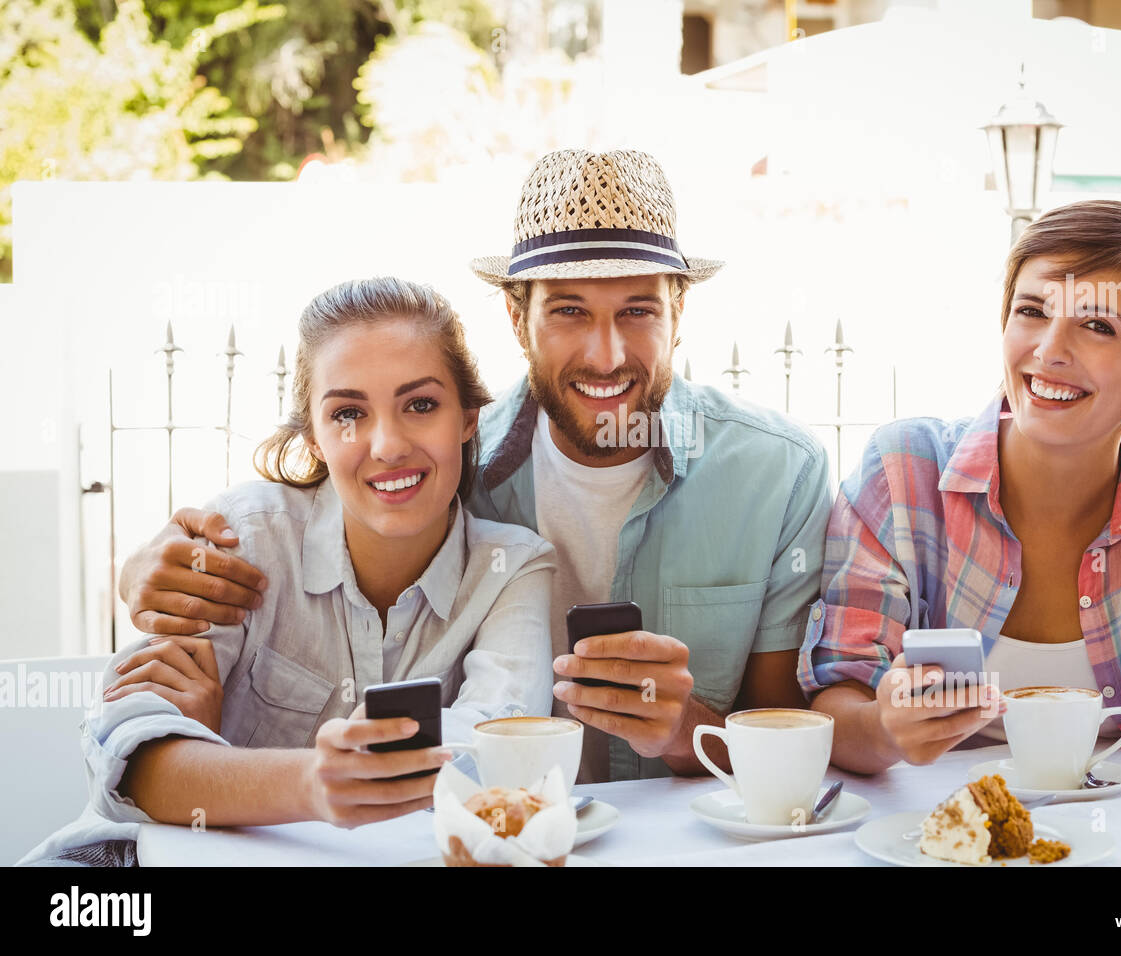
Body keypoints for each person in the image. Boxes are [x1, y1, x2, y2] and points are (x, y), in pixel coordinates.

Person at [110, 149, 833, 783]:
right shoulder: (449, 461)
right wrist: (139, 570)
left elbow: (790, 747)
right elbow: (312, 502)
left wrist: (684, 729)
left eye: (639, 310)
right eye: (570, 312)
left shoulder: (776, 475)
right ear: (518, 320)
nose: (607, 355)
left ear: (680, 310)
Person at [20, 278, 555, 864]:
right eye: (348, 413)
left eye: (421, 405)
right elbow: (129, 760)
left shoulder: (512, 569)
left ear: (470, 417)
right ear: (316, 439)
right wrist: (308, 783)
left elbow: (501, 755)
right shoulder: (241, 537)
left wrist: (213, 761)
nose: (386, 444)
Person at [799, 200, 1121, 781]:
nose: (1050, 350)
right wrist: (886, 730)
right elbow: (836, 706)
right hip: (941, 840)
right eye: (1031, 311)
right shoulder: (906, 473)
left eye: (1098, 324)